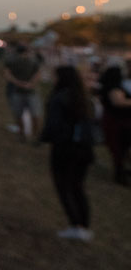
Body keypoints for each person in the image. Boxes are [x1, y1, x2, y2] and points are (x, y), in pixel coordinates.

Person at [40, 65, 96, 241]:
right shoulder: (85, 99)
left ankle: (75, 225)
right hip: (84, 149)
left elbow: (53, 126)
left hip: (65, 149)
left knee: (64, 187)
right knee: (78, 187)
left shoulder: (59, 98)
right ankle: (84, 226)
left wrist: (43, 138)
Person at [98, 66, 131, 185]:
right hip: (117, 123)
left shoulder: (111, 86)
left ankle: (121, 171)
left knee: (121, 149)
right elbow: (118, 102)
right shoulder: (113, 87)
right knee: (119, 149)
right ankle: (120, 174)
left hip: (118, 122)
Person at [3, 43, 42, 139]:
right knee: (34, 114)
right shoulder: (32, 61)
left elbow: (7, 74)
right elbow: (37, 74)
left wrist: (17, 82)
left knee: (19, 114)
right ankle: (33, 134)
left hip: (19, 91)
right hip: (28, 91)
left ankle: (23, 134)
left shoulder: (12, 60)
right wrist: (30, 84)